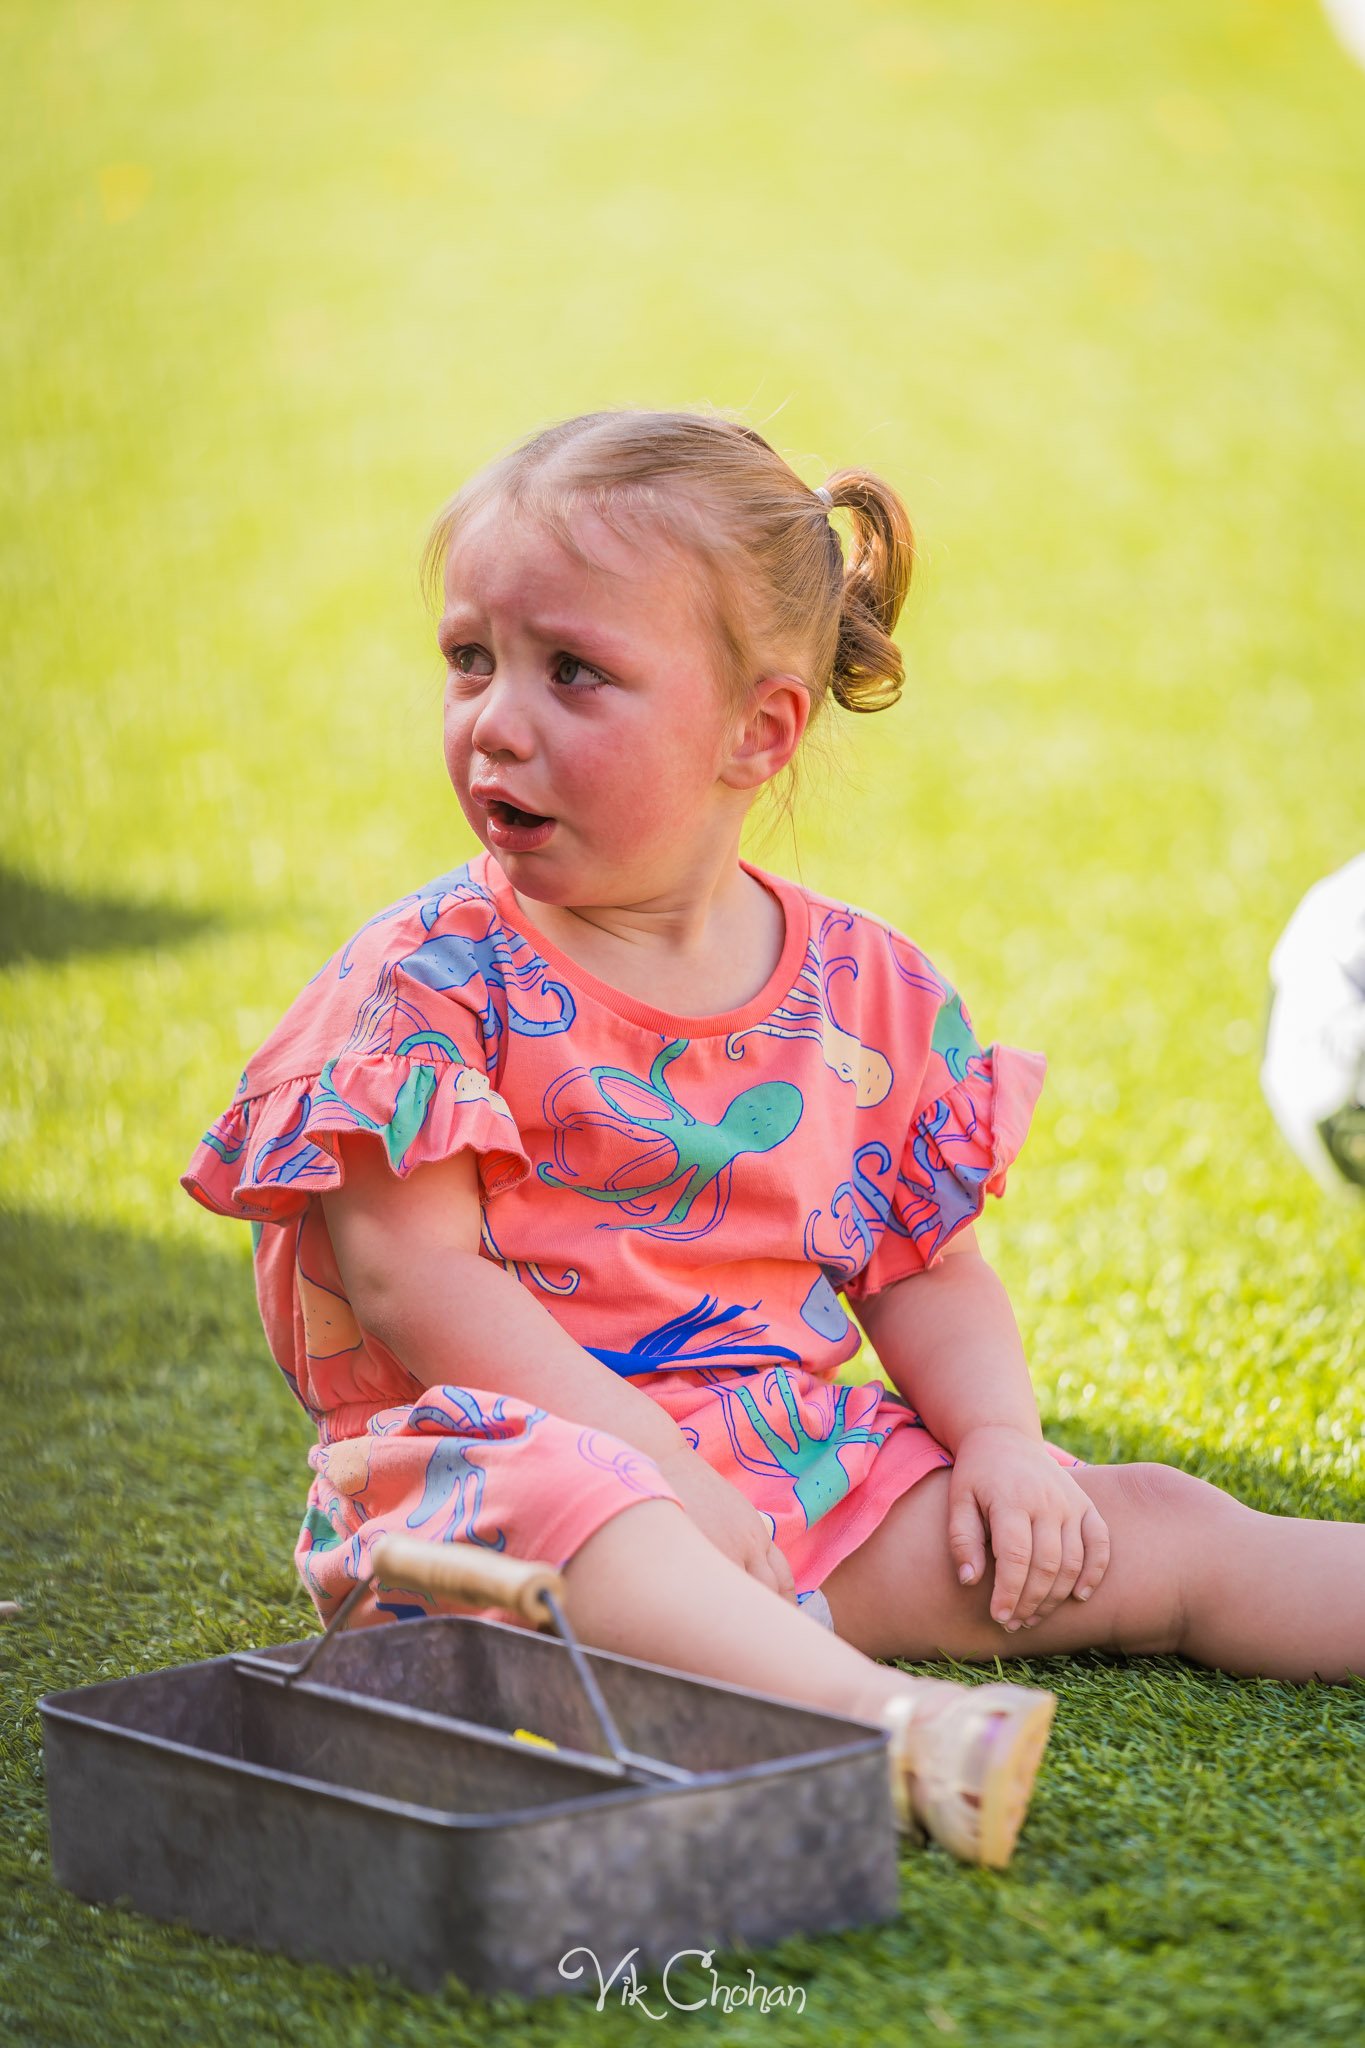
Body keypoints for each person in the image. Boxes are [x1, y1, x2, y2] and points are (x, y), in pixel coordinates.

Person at [182, 409, 1364, 1871]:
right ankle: (880, 1728)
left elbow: (920, 1268)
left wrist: (999, 1441)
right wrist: (651, 1467)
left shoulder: (863, 991)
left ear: (760, 729)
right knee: (580, 1505)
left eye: (573, 672)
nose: (494, 717)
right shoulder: (424, 980)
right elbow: (415, 1283)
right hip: (501, 1515)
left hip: (789, 1483)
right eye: (469, 658)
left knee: (1148, 1526)